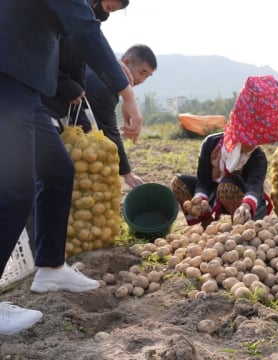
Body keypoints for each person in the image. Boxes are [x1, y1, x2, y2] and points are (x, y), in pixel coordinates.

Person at [0, 0, 143, 336]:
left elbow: (77, 27)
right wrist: (128, 94)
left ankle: (50, 267)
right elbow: (81, 26)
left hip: (28, 89)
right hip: (6, 77)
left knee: (58, 171)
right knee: (14, 189)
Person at [170, 75, 278, 226]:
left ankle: (240, 227)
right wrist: (201, 199)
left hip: (246, 202)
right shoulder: (211, 144)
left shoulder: (257, 157)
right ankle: (206, 223)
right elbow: (203, 180)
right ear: (237, 131)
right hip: (215, 194)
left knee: (226, 186)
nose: (251, 144)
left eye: (256, 140)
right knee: (178, 183)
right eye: (247, 138)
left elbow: (254, 186)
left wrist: (246, 205)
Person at [42, 0, 130, 133]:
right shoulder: (66, 22)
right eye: (109, 8)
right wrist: (128, 95)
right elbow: (43, 60)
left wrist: (82, 115)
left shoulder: (80, 35)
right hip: (39, 103)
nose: (106, 15)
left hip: (59, 108)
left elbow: (77, 74)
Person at [85, 44, 157, 188]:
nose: (142, 80)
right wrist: (127, 173)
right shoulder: (104, 86)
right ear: (126, 62)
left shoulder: (99, 69)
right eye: (142, 72)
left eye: (147, 77)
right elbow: (109, 130)